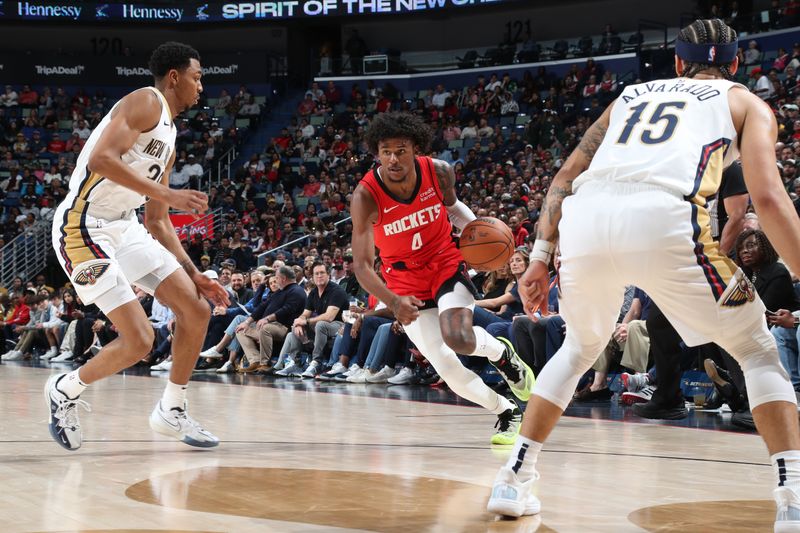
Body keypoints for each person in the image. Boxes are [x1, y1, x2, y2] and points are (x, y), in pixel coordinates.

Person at [487, 19, 800, 531]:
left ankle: (512, 477)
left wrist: (541, 255)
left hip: (587, 220)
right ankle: (792, 498)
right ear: (738, 64)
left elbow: (565, 177)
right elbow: (765, 199)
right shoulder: (747, 102)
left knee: (576, 351)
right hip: (666, 218)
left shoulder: (631, 95)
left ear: (677, 62)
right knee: (757, 348)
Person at [45, 42, 229, 451]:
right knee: (139, 340)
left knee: (196, 309)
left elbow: (157, 220)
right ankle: (65, 389)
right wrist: (175, 194)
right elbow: (101, 160)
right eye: (197, 77)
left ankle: (171, 408)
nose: (202, 86)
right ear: (175, 77)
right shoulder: (147, 101)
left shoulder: (171, 135)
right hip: (83, 225)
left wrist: (194, 273)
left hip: (125, 228)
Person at [350, 112, 534, 445]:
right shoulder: (365, 197)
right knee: (448, 370)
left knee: (459, 337)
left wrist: (483, 235)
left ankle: (502, 355)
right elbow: (362, 266)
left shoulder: (438, 171)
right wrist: (392, 301)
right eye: (385, 150)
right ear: (376, 152)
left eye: (401, 150)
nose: (393, 158)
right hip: (404, 283)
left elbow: (454, 209)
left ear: (415, 148)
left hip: (444, 262)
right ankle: (506, 410)